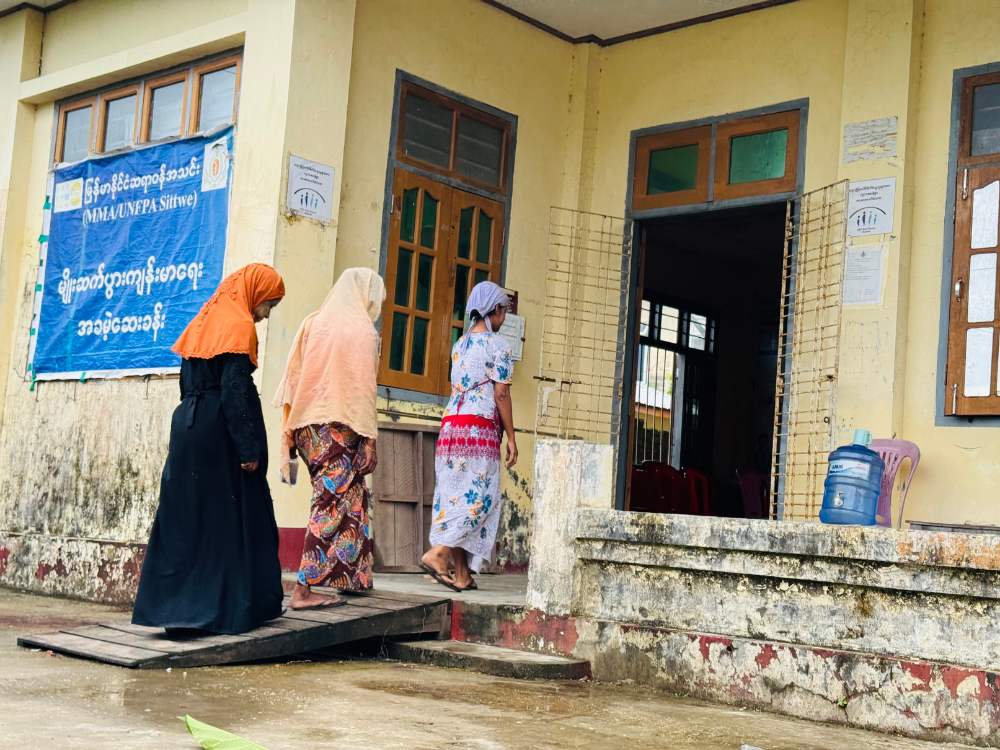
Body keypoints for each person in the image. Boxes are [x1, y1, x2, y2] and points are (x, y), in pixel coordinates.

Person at [132, 263, 286, 635]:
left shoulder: (202, 323)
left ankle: (175, 612)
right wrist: (248, 449)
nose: (266, 314)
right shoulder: (238, 326)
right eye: (269, 304)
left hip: (187, 426)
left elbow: (187, 386)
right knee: (229, 519)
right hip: (220, 432)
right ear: (255, 293)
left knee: (187, 519)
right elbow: (234, 391)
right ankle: (223, 610)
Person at [273, 268, 386, 610]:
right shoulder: (362, 332)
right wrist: (369, 440)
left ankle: (355, 578)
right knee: (331, 503)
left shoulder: (314, 321)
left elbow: (293, 377)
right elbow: (364, 390)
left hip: (308, 426)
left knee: (352, 497)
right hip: (339, 427)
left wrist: (290, 435)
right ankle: (303, 590)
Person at [421, 281, 517, 591]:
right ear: (495, 311)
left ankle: (462, 574)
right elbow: (501, 394)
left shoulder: (459, 344)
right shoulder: (498, 346)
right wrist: (512, 437)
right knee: (482, 499)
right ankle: (440, 553)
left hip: (451, 429)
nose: (504, 319)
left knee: (457, 497)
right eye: (504, 311)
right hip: (478, 431)